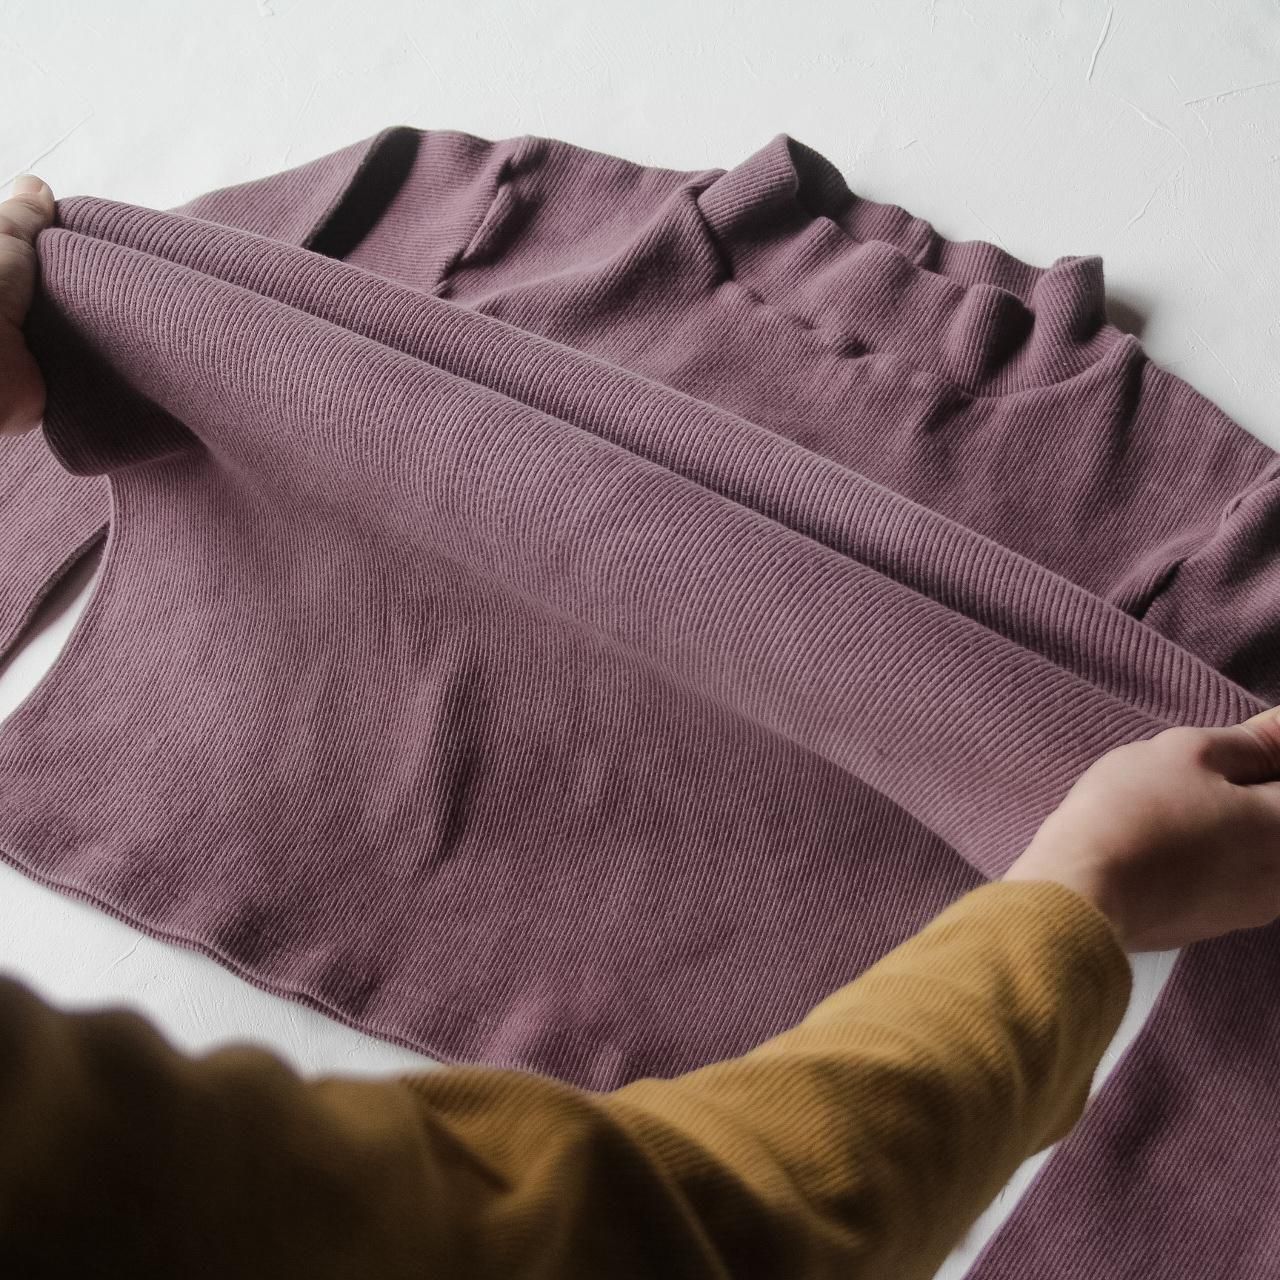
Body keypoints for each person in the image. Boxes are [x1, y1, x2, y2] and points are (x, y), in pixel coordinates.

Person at [1, 172, 1279, 1280]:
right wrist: (1079, 903)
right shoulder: (510, 203)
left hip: (241, 806)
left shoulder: (1211, 516)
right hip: (236, 794)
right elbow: (657, 1237)